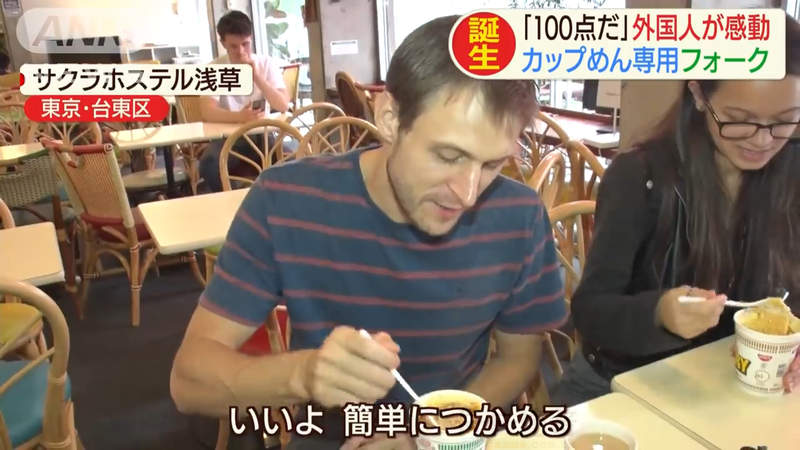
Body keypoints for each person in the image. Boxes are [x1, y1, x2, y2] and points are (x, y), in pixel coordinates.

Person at [170, 15, 567, 449]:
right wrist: (303, 374)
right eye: (449, 156)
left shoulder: (519, 216)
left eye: (492, 164)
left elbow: (518, 358)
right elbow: (188, 382)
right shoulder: (287, 201)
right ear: (390, 118)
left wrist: (422, 435)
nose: (469, 194)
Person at [551, 13, 800, 406]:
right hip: (617, 384)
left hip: (723, 383)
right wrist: (659, 313)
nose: (763, 141)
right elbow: (591, 311)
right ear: (699, 95)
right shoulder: (640, 177)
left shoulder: (792, 173)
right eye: (739, 120)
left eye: (785, 121)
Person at [198, 10, 290, 192]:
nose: (240, 51)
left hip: (263, 135)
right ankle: (236, 200)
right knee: (209, 164)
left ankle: (277, 201)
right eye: (233, 46)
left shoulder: (266, 63)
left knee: (294, 159)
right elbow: (207, 111)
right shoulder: (214, 68)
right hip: (228, 138)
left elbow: (282, 105)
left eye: (245, 44)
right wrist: (240, 117)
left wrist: (256, 77)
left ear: (251, 39)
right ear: (223, 43)